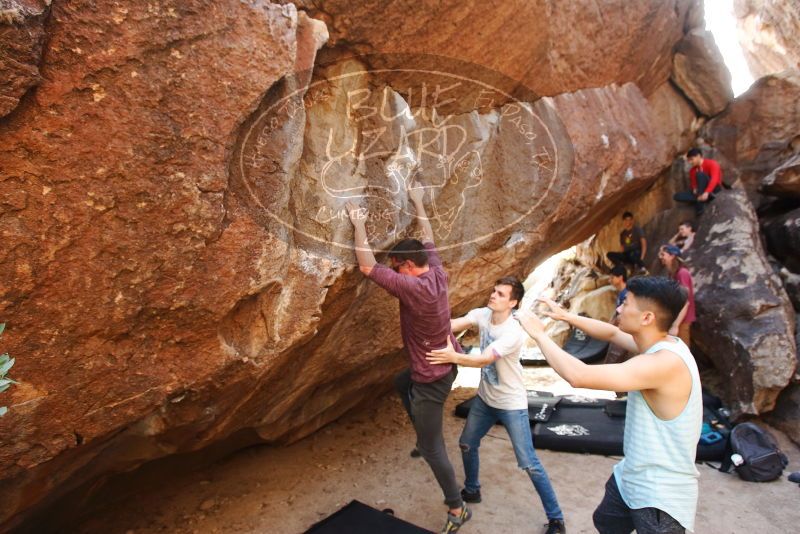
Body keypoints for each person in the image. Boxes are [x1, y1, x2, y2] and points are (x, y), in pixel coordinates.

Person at [515, 277, 702, 534]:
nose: (619, 308)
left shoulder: (663, 363)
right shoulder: (660, 343)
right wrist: (566, 316)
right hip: (632, 475)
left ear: (646, 317)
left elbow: (579, 376)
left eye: (626, 303)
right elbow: (613, 332)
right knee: (606, 521)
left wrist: (538, 334)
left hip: (660, 494)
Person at [347, 186, 470, 534]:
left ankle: (457, 508)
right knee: (401, 382)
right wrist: (417, 200)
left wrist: (359, 223)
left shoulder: (412, 287)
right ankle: (422, 433)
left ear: (408, 267)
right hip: (439, 366)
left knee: (434, 450)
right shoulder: (436, 271)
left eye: (398, 267)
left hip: (432, 378)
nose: (395, 272)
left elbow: (367, 266)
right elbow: (427, 235)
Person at [426, 277, 566, 534]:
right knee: (467, 443)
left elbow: (484, 360)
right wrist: (430, 322)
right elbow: (453, 324)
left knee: (529, 463)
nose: (493, 296)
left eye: (501, 294)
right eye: (493, 291)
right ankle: (472, 489)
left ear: (513, 302)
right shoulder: (483, 314)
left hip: (511, 404)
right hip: (485, 399)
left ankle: (556, 519)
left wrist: (452, 356)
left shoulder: (512, 332)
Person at [657, 245, 695, 347]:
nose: (661, 257)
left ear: (672, 256)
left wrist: (675, 325)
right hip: (676, 317)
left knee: (683, 349)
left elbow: (685, 302)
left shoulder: (682, 273)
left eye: (663, 254)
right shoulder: (673, 273)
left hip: (682, 320)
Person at [674, 148, 722, 215]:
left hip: (714, 189)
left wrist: (707, 192)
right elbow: (694, 184)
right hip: (701, 191)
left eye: (691, 159)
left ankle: (700, 205)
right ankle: (701, 199)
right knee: (677, 196)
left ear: (698, 156)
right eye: (688, 160)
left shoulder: (712, 164)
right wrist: (694, 189)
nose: (690, 162)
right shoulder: (692, 171)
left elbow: (715, 179)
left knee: (700, 174)